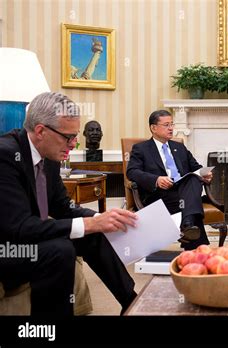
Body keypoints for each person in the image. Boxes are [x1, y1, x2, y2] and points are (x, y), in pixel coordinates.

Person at [0, 92, 138, 316]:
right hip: (9, 248)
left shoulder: (50, 154)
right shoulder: (5, 156)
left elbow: (62, 207)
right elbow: (19, 228)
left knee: (93, 233)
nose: (74, 145)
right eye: (68, 137)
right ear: (41, 131)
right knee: (60, 250)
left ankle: (132, 303)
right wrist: (89, 223)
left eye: (76, 137)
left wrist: (101, 219)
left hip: (29, 237)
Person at [126, 110, 212, 250]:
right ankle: (197, 247)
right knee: (191, 200)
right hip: (160, 194)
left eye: (172, 124)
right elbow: (132, 172)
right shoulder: (141, 149)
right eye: (166, 125)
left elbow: (196, 168)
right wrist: (156, 179)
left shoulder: (179, 147)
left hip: (182, 192)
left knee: (193, 179)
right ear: (153, 128)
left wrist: (205, 174)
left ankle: (187, 225)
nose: (171, 128)